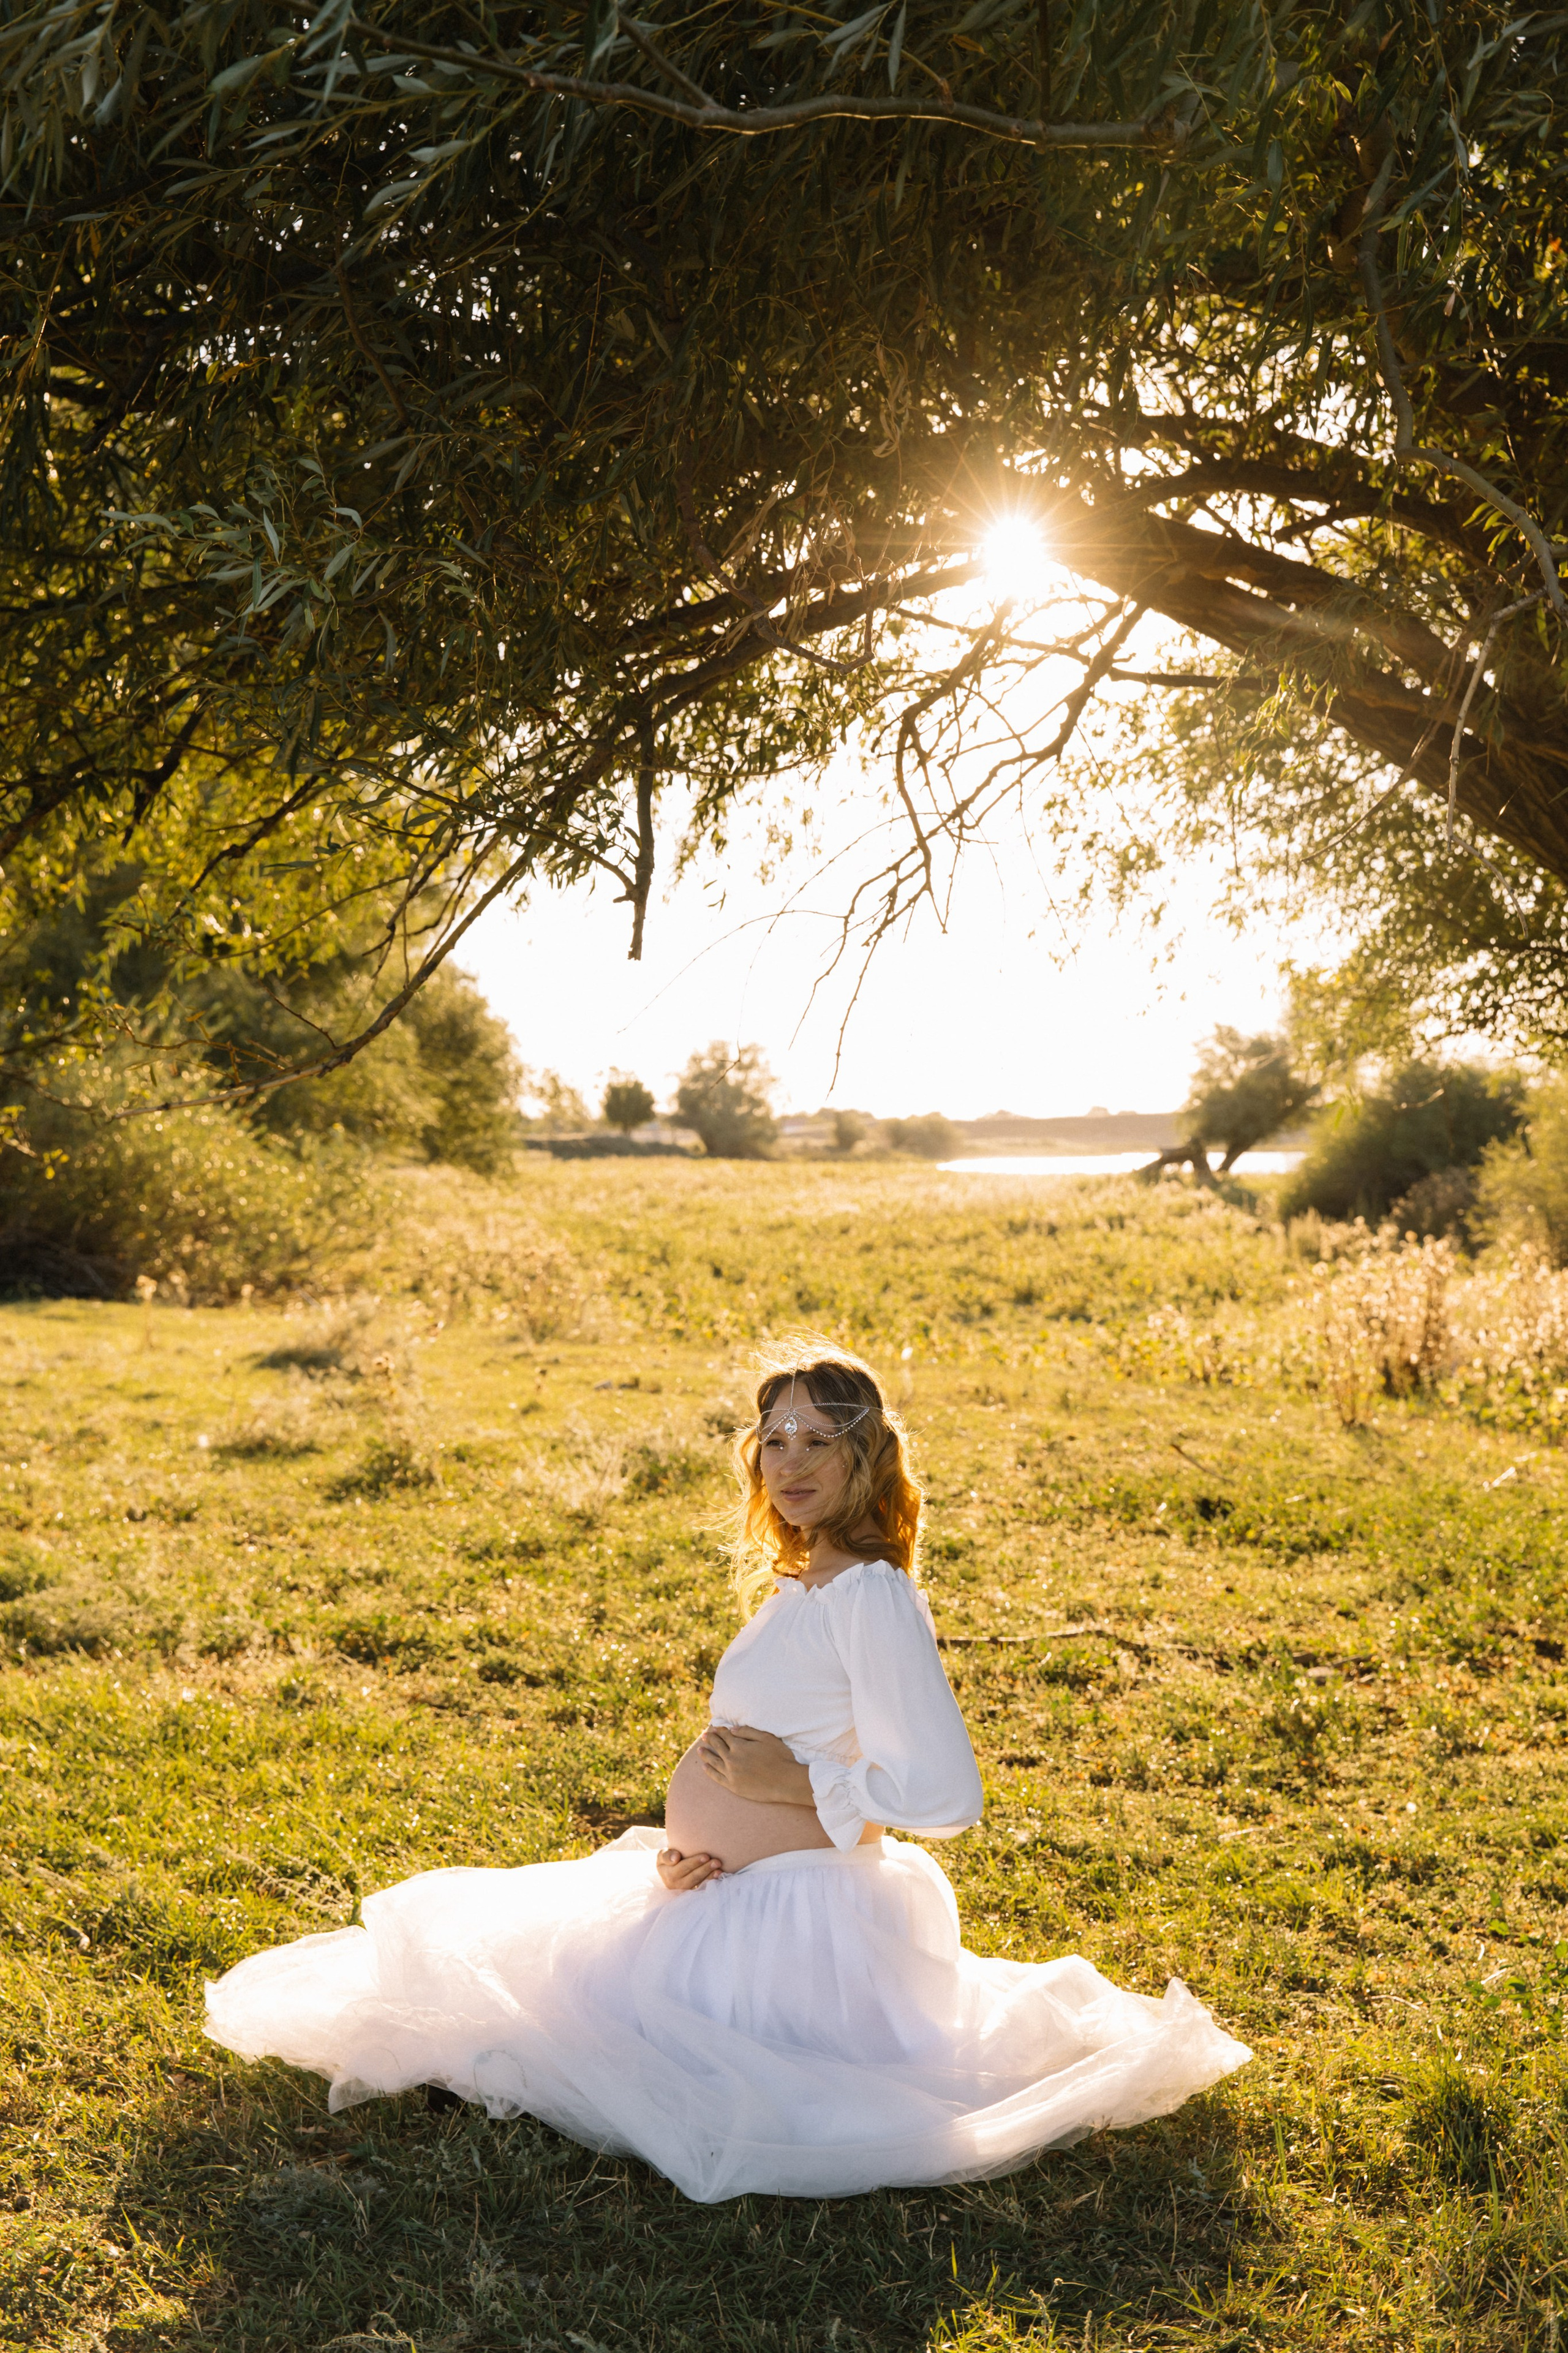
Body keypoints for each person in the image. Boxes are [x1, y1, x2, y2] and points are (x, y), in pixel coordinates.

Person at [205, 1340, 1249, 2202]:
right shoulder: (807, 1580)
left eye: (817, 1440)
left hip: (800, 1929)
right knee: (500, 1990)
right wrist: (683, 1846)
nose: (789, 1462)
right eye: (774, 1440)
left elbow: (945, 1795)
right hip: (720, 1892)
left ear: (866, 1456)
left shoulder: (870, 1593)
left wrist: (789, 1788)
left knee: (589, 2041)